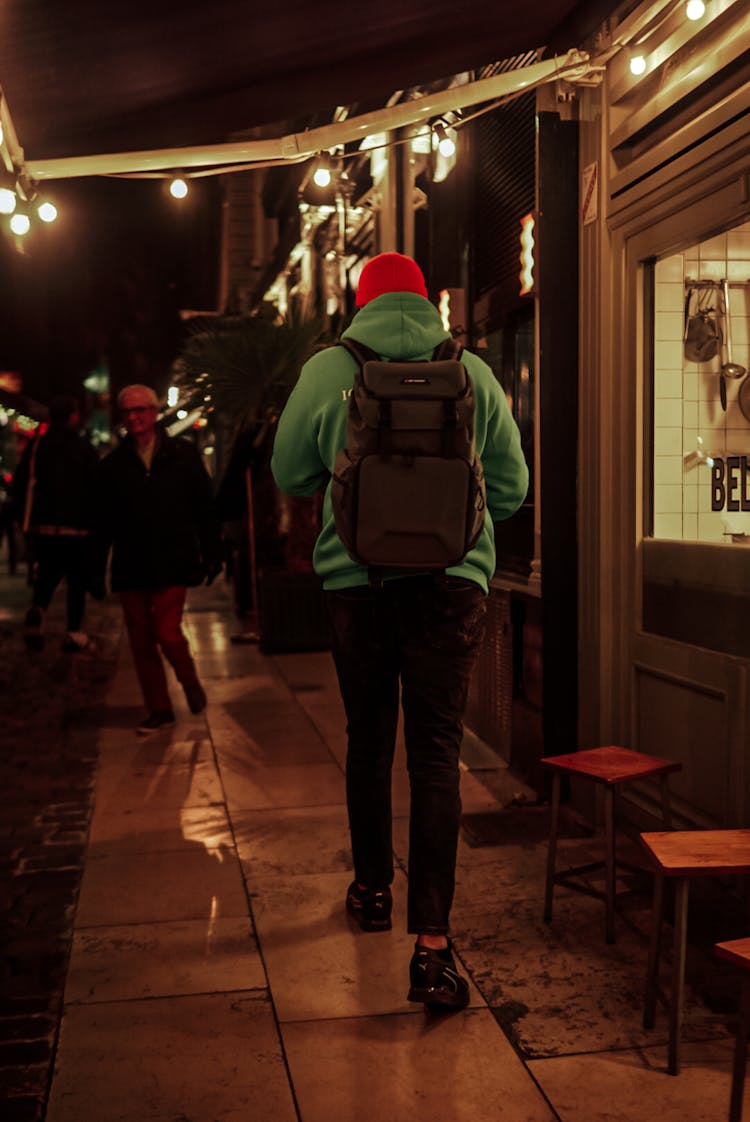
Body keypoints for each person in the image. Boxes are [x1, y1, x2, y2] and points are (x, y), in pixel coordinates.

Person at [271, 252, 529, 1009]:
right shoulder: (471, 370)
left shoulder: (330, 369)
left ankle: (372, 889)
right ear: (426, 301)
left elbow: (290, 475)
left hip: (357, 585)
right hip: (453, 587)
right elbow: (512, 493)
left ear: (360, 304)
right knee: (436, 755)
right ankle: (435, 946)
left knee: (370, 741)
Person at [97, 384, 223, 735]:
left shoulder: (181, 455)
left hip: (173, 558)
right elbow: (103, 520)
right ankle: (159, 708)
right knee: (140, 640)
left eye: (141, 410)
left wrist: (212, 552)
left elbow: (203, 507)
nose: (134, 418)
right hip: (132, 561)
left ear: (154, 413)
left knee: (167, 632)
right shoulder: (115, 465)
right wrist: (95, 566)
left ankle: (189, 680)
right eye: (128, 412)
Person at [12, 394, 100, 652]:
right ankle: (73, 632)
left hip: (44, 527)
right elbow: (95, 486)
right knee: (76, 581)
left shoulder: (38, 445)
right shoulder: (83, 447)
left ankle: (38, 610)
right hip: (76, 527)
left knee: (47, 574)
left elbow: (21, 483)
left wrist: (23, 520)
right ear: (73, 416)